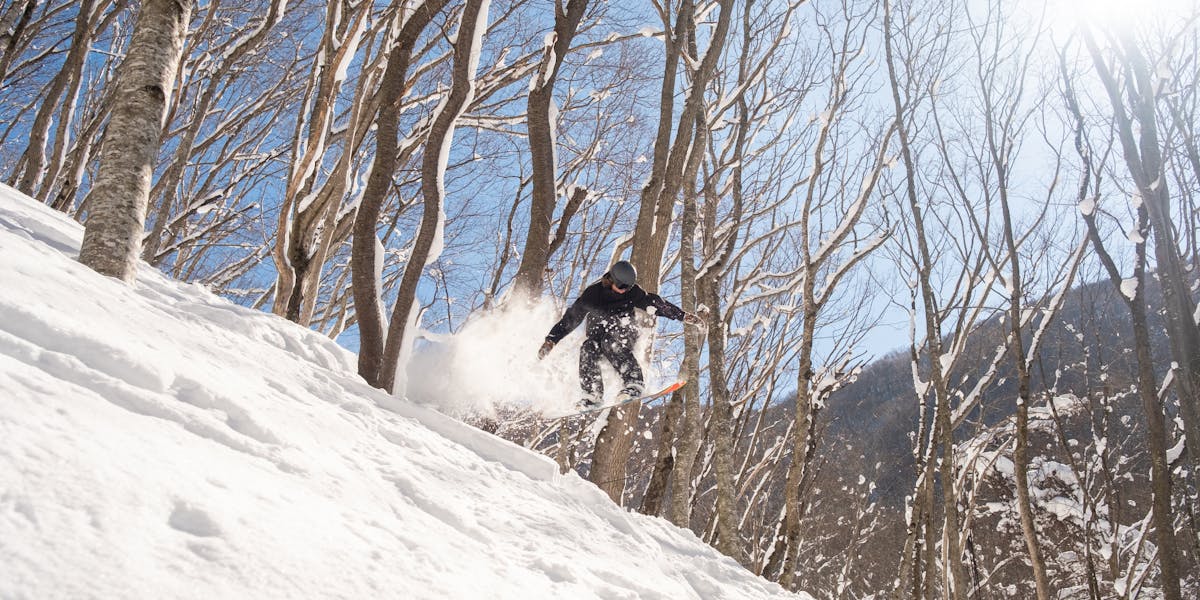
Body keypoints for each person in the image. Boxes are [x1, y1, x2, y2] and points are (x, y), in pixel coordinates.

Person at [538, 260, 702, 408]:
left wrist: (681, 315)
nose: (625, 291)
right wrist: (551, 340)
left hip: (623, 332)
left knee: (611, 340)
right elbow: (571, 319)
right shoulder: (592, 295)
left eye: (628, 287)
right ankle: (592, 395)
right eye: (622, 287)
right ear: (611, 281)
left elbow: (656, 303)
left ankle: (634, 383)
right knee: (588, 347)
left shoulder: (633, 293)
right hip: (598, 336)